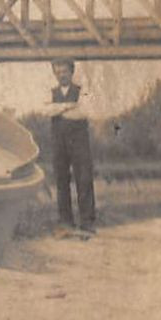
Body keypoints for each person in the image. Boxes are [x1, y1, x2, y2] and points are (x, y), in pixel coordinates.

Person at [46, 59, 96, 235]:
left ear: (71, 72)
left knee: (84, 179)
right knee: (61, 181)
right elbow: (46, 110)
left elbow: (84, 112)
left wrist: (59, 109)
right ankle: (66, 223)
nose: (61, 75)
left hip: (79, 141)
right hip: (59, 142)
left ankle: (87, 224)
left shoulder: (82, 91)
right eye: (58, 72)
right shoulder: (51, 91)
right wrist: (69, 106)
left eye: (64, 71)